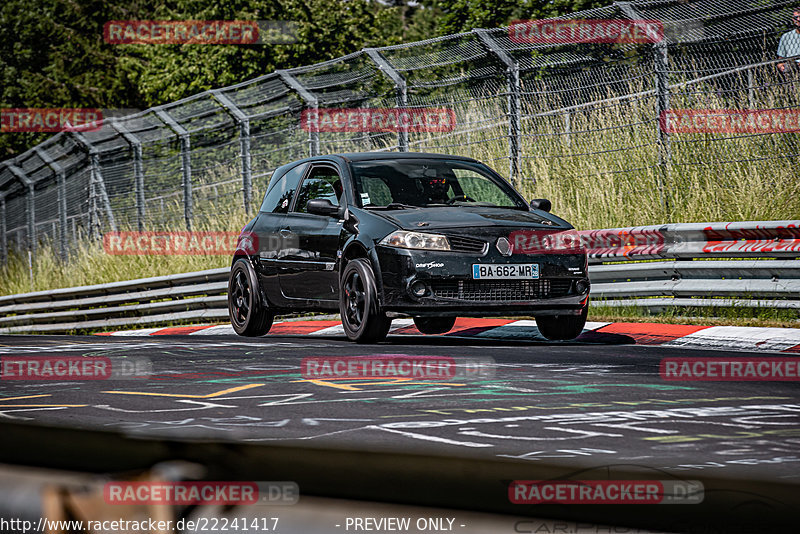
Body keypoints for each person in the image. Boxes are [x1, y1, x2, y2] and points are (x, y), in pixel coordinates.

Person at [778, 8, 800, 73]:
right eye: (796, 17)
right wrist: (781, 66)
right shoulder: (786, 37)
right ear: (793, 19)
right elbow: (780, 61)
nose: (799, 19)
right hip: (792, 70)